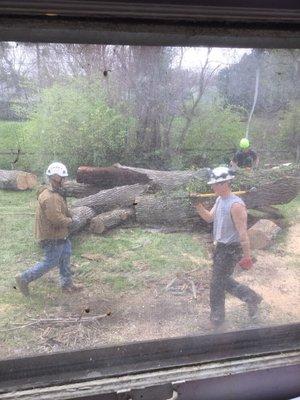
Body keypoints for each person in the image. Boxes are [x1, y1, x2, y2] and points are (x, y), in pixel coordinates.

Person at [195, 166, 262, 328]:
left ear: (225, 184)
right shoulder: (220, 200)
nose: (212, 187)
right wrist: (198, 206)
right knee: (223, 281)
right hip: (220, 247)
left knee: (217, 284)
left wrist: (247, 256)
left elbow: (243, 233)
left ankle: (216, 320)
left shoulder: (236, 205)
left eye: (215, 184)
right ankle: (251, 297)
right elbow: (209, 218)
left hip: (231, 249)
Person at [15, 162, 83, 297]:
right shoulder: (50, 197)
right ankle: (24, 278)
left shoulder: (56, 193)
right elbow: (56, 219)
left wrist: (72, 215)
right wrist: (71, 222)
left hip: (60, 234)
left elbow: (63, 210)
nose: (66, 180)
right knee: (50, 261)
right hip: (52, 236)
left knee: (65, 256)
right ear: (56, 178)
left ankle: (67, 284)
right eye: (64, 178)